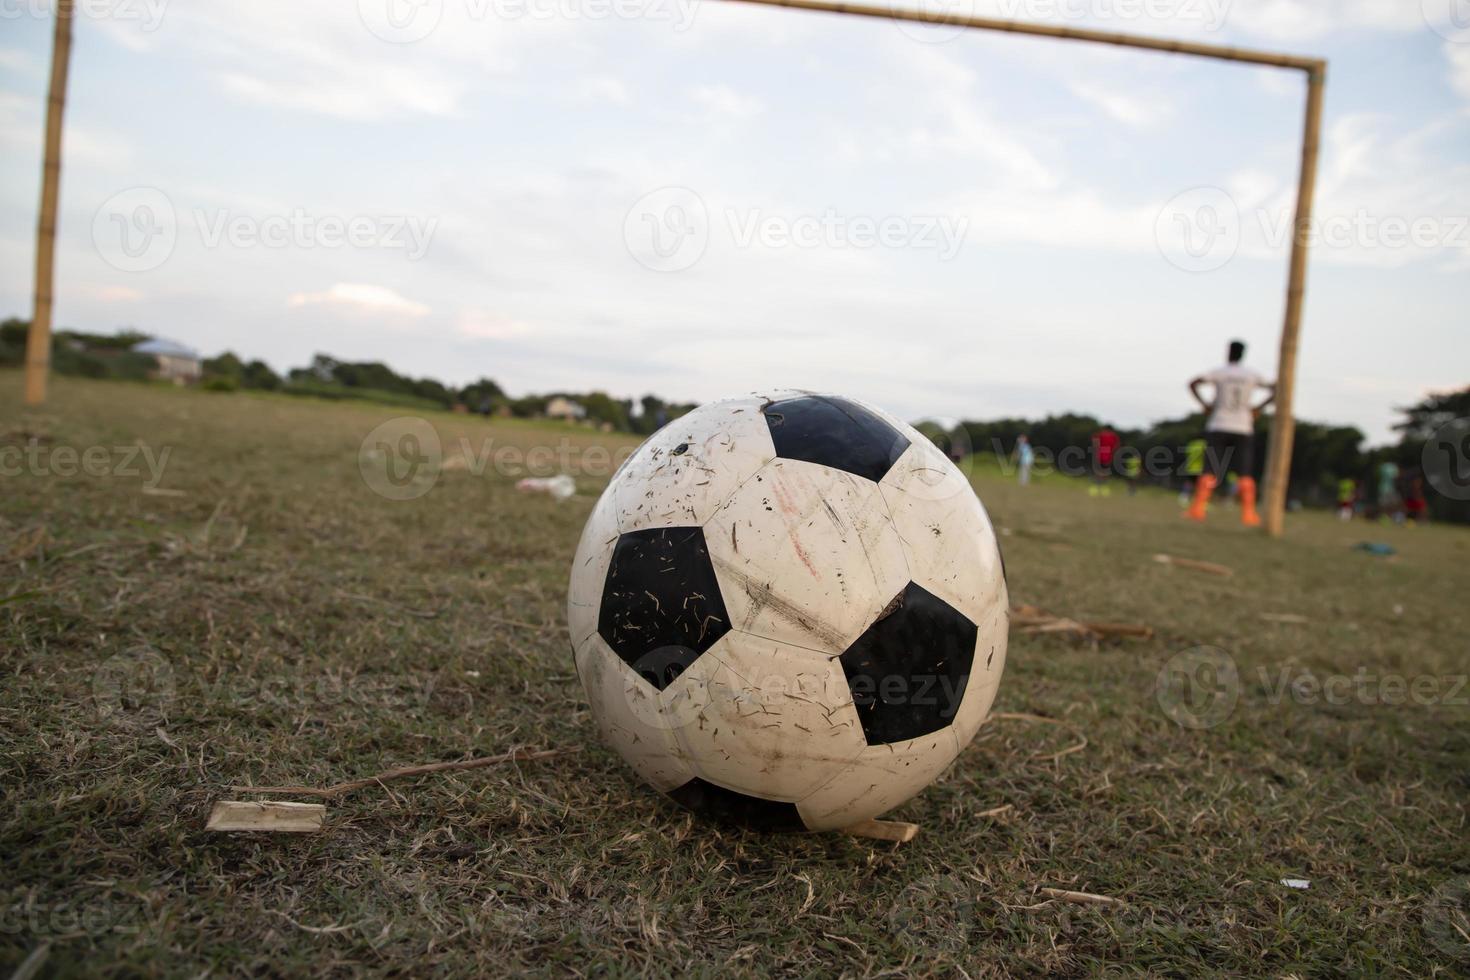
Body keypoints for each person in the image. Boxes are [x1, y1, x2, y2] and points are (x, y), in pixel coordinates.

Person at [1185, 340, 1276, 526]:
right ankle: (1249, 513)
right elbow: (1275, 388)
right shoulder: (1252, 375)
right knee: (1245, 471)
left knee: (1210, 468)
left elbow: (1193, 383)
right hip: (1244, 426)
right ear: (1243, 354)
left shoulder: (1220, 372)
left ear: (1228, 352)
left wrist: (1205, 405)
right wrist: (1258, 408)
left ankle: (1198, 508)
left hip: (1218, 423)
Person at [1089, 426, 1119, 497]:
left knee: (1097, 472)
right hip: (1108, 456)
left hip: (1099, 456)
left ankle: (1095, 488)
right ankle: (1104, 488)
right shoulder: (1114, 436)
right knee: (1105, 472)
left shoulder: (1100, 434)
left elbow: (1094, 441)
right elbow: (1116, 446)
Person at [1179, 436, 1207, 507]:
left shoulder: (1191, 444)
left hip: (1190, 467)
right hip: (1200, 468)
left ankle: (1184, 497)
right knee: (1200, 485)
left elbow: (1186, 454)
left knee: (1189, 483)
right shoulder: (1204, 444)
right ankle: (1200, 501)